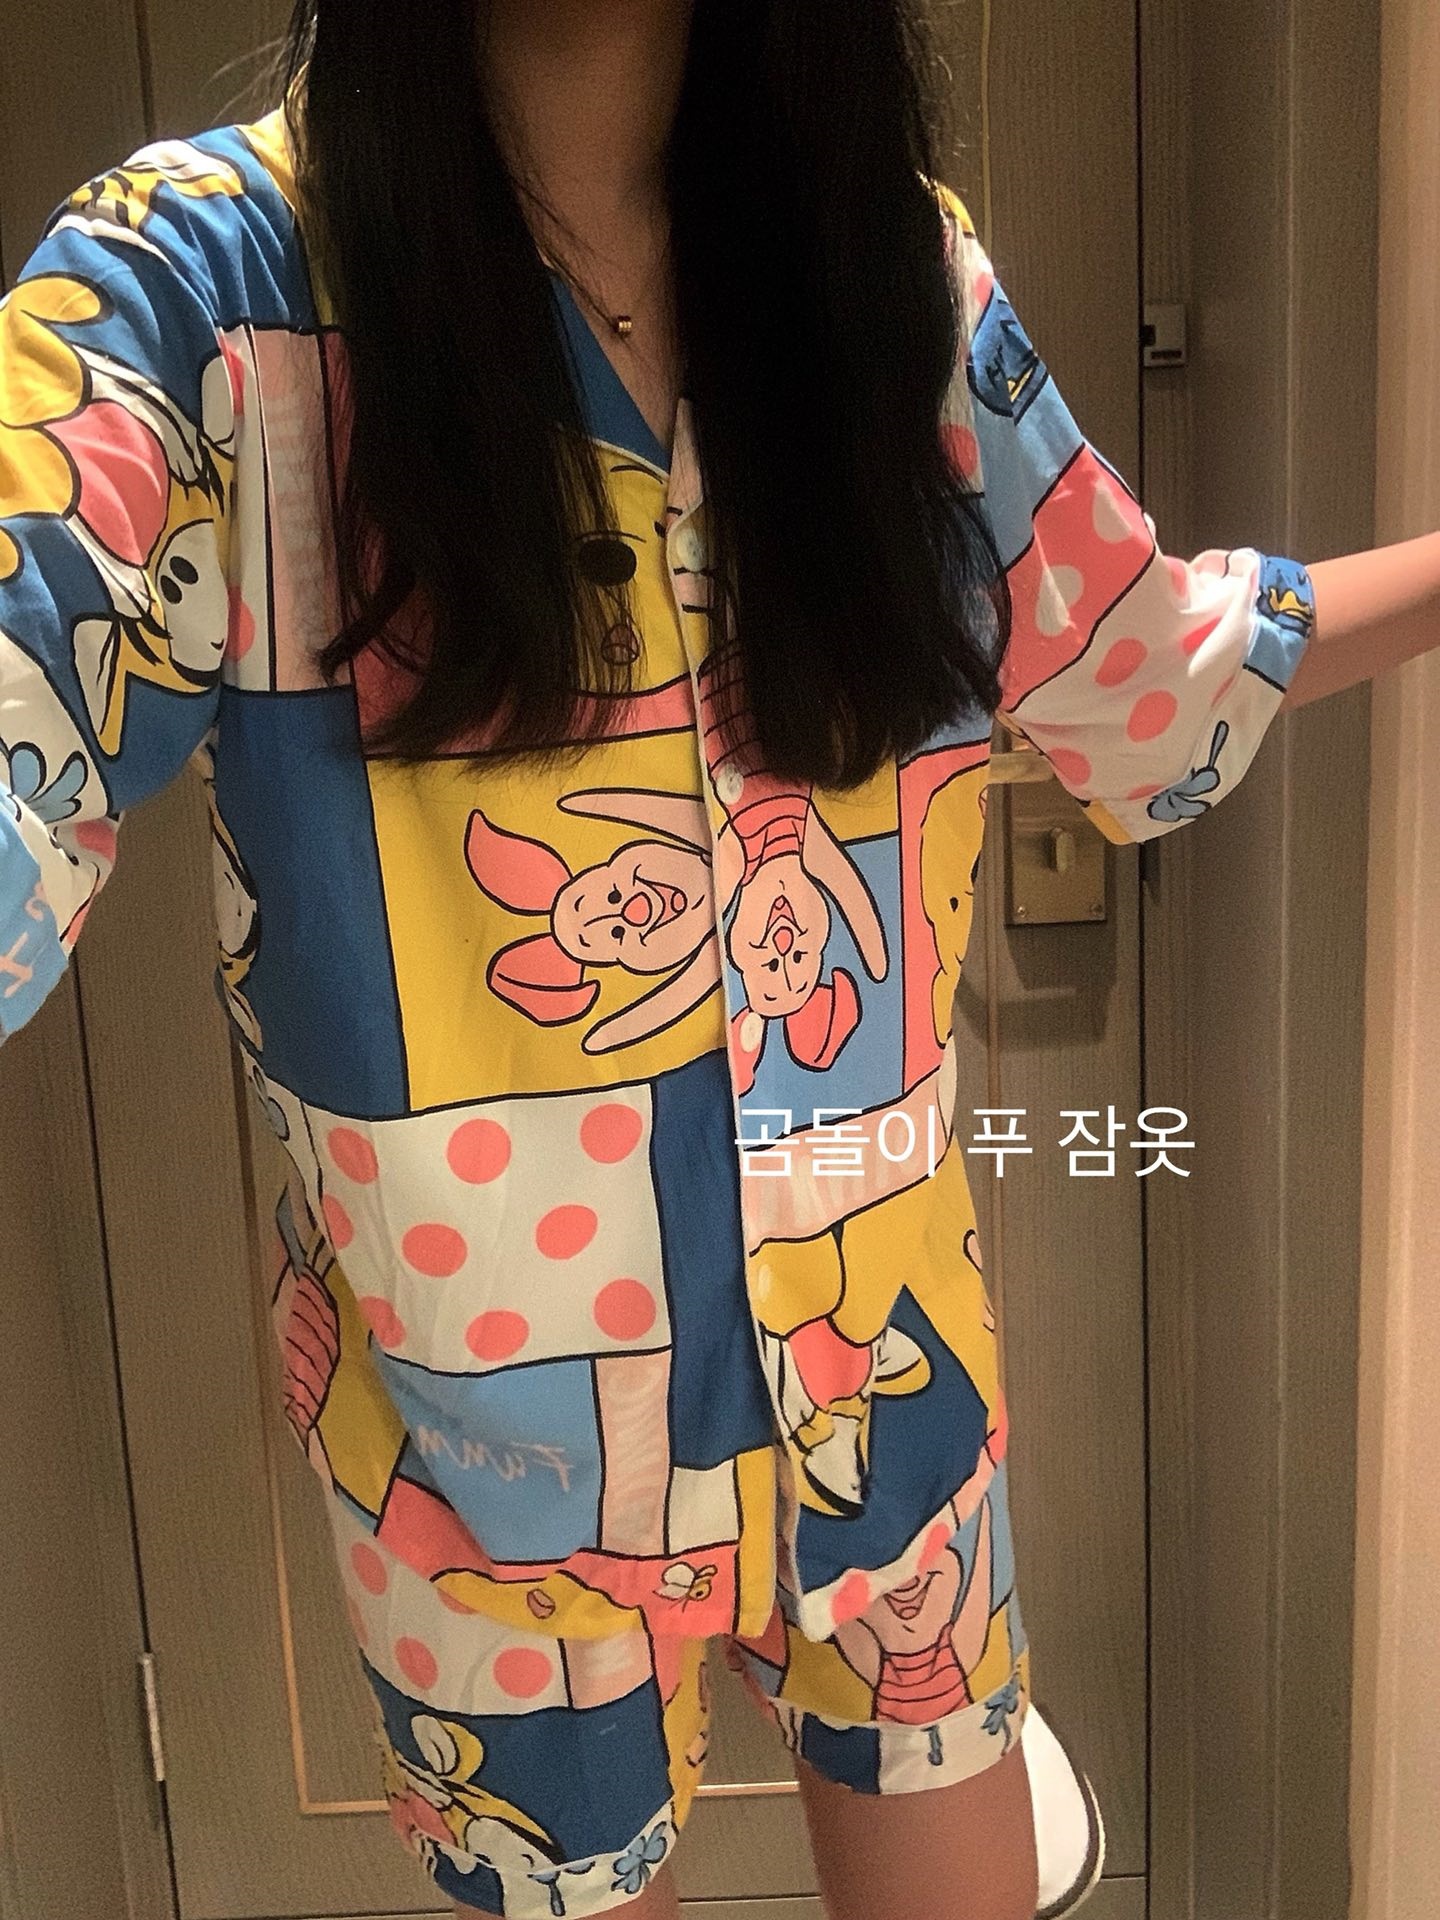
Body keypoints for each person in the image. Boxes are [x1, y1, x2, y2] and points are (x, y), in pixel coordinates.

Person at [0, 4, 1436, 1919]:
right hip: (481, 1490)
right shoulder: (197, 298)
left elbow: (1143, 678)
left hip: (890, 1403)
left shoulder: (892, 281)